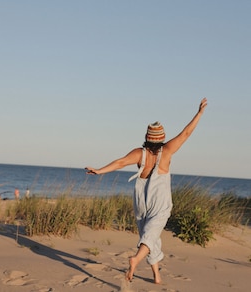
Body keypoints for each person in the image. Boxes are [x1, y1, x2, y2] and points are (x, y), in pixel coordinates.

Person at [85, 98, 207, 284]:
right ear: (162, 138)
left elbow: (119, 163)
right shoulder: (166, 151)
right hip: (159, 202)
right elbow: (186, 134)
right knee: (150, 236)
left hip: (141, 200)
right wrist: (199, 114)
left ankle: (157, 276)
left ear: (147, 137)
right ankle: (135, 259)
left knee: (150, 237)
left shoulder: (139, 153)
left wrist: (100, 171)